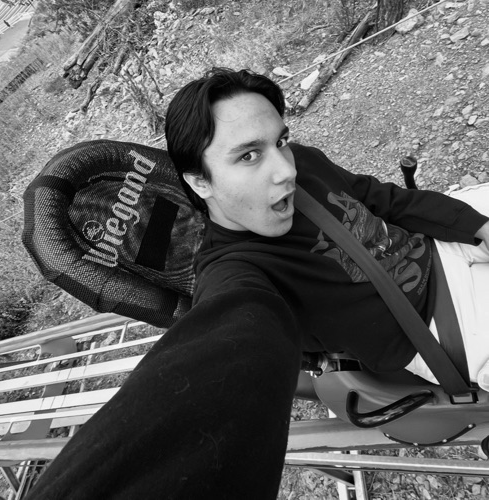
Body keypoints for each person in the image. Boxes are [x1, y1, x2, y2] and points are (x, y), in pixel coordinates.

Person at [26, 68, 489, 499]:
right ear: (200, 182)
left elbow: (381, 199)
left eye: (279, 140)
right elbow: (229, 345)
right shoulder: (234, 270)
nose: (285, 169)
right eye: (249, 155)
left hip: (440, 246)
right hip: (448, 325)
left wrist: (476, 225)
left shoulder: (303, 165)